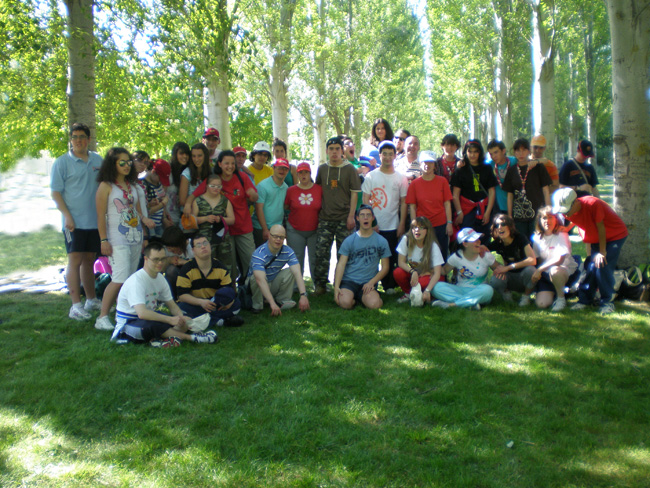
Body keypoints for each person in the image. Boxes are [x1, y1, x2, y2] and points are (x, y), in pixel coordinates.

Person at [111, 241, 217, 347]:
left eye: (162, 259)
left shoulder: (160, 278)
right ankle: (193, 338)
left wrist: (181, 318)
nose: (160, 263)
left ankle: (161, 339)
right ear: (146, 259)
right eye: (156, 259)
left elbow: (172, 305)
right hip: (128, 324)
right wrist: (170, 319)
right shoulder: (136, 281)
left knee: (181, 323)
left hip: (147, 319)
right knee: (155, 325)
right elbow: (142, 313)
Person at [95, 148, 154, 331]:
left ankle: (124, 312)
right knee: (119, 278)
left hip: (135, 237)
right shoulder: (106, 186)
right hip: (116, 238)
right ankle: (102, 317)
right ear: (113, 164)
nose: (127, 165)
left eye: (129, 162)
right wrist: (104, 240)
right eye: (122, 162)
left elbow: (137, 211)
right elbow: (100, 215)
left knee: (128, 278)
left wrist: (144, 230)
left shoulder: (133, 186)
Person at [50, 123, 104, 321]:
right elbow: (55, 193)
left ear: (88, 139)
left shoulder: (98, 160)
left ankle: (91, 299)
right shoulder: (62, 163)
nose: (78, 140)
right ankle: (75, 305)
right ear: (70, 140)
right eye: (74, 137)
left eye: (82, 136)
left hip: (94, 221)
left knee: (90, 259)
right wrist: (68, 216)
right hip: (73, 223)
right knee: (75, 260)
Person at [186, 151, 258, 283]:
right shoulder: (215, 180)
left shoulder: (242, 177)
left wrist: (253, 195)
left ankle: (254, 295)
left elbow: (254, 195)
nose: (230, 166)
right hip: (224, 231)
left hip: (243, 227)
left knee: (251, 262)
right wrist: (188, 204)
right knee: (229, 266)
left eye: (232, 163)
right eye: (226, 163)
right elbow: (195, 195)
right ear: (220, 164)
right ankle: (232, 294)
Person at [552, 188, 628, 314]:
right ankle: (584, 300)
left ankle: (607, 302)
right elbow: (575, 218)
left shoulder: (593, 204)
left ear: (576, 202)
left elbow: (601, 229)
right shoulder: (567, 210)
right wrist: (567, 228)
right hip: (596, 239)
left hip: (614, 236)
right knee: (591, 267)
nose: (566, 214)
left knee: (603, 265)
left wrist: (602, 252)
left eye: (567, 210)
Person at [313, 136, 361, 295]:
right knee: (321, 252)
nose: (334, 152)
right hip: (325, 219)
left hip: (344, 218)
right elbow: (318, 190)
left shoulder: (350, 170)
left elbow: (355, 194)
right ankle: (320, 284)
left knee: (344, 254)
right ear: (327, 151)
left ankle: (342, 283)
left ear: (342, 151)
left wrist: (351, 216)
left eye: (337, 149)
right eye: (331, 149)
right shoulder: (322, 169)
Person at [362, 140, 408, 291]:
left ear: (395, 156)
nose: (387, 157)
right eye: (384, 154)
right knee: (371, 257)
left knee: (390, 256)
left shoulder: (400, 178)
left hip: (392, 225)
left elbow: (403, 203)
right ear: (379, 155)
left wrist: (401, 224)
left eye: (390, 154)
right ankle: (371, 285)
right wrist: (371, 222)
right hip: (373, 225)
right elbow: (365, 201)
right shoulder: (371, 176)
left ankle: (389, 285)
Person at [176, 236, 244, 327]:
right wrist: (201, 302)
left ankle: (205, 320)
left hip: (215, 305)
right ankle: (220, 321)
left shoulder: (221, 268)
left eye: (205, 243)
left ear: (210, 246)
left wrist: (228, 301)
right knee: (182, 308)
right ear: (193, 250)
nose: (203, 247)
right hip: (196, 304)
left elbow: (227, 290)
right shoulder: (186, 269)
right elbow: (182, 296)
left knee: (236, 304)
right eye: (199, 245)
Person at [333, 205, 391, 310]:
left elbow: (385, 267)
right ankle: (354, 299)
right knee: (345, 303)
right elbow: (341, 264)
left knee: (375, 305)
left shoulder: (381, 241)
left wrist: (372, 282)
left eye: (368, 215)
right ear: (357, 218)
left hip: (368, 282)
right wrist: (336, 287)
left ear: (373, 218)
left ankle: (369, 297)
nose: (365, 218)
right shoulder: (349, 240)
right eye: (362, 215)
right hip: (349, 281)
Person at [247, 225, 310, 315]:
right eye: (275, 236)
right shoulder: (259, 254)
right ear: (269, 235)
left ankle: (282, 300)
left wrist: (303, 295)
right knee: (255, 277)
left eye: (281, 237)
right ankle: (257, 305)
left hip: (271, 281)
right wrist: (272, 304)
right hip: (256, 285)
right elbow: (260, 280)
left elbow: (297, 273)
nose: (278, 240)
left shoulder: (288, 251)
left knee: (291, 271)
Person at [432, 228, 499, 310]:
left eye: (478, 239)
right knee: (436, 287)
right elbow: (444, 271)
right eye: (474, 240)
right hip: (461, 289)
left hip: (480, 291)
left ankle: (451, 305)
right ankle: (470, 303)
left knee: (488, 290)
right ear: (465, 244)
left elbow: (499, 268)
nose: (479, 241)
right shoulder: (456, 257)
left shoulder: (485, 255)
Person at [406, 150, 453, 258]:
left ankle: (441, 275)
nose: (427, 165)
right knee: (423, 255)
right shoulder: (414, 184)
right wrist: (414, 225)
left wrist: (449, 223)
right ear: (420, 164)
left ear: (435, 165)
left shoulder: (442, 181)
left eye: (430, 162)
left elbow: (447, 204)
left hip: (440, 225)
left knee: (441, 255)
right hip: (422, 226)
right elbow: (412, 207)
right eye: (424, 162)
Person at [529, 206, 578, 311]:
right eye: (544, 218)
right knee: (541, 304)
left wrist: (540, 269)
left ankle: (561, 299)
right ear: (539, 221)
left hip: (563, 271)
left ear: (556, 220)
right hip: (546, 275)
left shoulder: (562, 234)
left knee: (555, 271)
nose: (547, 221)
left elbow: (559, 260)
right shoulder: (537, 238)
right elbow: (539, 260)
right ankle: (560, 292)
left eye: (551, 217)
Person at [502, 138, 552, 238]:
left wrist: (548, 209)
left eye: (524, 150)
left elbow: (546, 191)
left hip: (538, 214)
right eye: (518, 151)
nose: (521, 153)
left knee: (538, 241)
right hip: (519, 216)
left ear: (529, 151)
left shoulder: (538, 167)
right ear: (514, 152)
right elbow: (510, 195)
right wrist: (510, 215)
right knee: (522, 243)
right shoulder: (512, 170)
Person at [451, 139, 497, 241]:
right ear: (465, 153)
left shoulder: (487, 168)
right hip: (467, 210)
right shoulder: (461, 169)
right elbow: (455, 194)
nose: (472, 155)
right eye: (470, 151)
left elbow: (492, 191)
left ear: (480, 152)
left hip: (484, 208)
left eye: (475, 151)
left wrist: (488, 212)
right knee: (467, 240)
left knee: (484, 238)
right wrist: (459, 212)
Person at [487, 214, 537, 306]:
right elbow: (482, 249)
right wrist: (498, 268)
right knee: (495, 280)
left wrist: (508, 267)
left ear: (510, 226)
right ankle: (506, 293)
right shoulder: (498, 243)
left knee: (531, 270)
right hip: (510, 276)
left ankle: (526, 297)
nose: (500, 227)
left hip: (524, 276)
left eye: (503, 224)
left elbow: (532, 260)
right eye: (497, 225)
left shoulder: (520, 238)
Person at [394, 216, 444, 305]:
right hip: (416, 273)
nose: (417, 230)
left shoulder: (433, 246)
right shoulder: (406, 240)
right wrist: (413, 272)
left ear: (427, 231)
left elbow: (437, 272)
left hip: (430, 275)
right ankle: (408, 294)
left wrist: (428, 290)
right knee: (398, 272)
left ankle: (427, 293)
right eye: (415, 227)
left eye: (421, 228)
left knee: (421, 282)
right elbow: (400, 262)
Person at [284, 161, 322, 278]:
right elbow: (286, 207)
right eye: (300, 173)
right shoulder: (291, 190)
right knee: (296, 258)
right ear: (297, 174)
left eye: (306, 172)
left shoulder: (319, 189)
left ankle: (317, 285)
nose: (303, 175)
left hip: (314, 230)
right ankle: (296, 286)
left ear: (310, 174)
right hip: (295, 230)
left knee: (315, 258)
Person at [192, 173, 235, 267]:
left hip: (223, 240)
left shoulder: (224, 200)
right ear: (207, 186)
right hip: (205, 242)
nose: (216, 188)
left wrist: (221, 219)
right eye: (213, 186)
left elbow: (232, 220)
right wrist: (205, 218)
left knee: (225, 266)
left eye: (219, 186)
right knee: (208, 266)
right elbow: (192, 221)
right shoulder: (198, 201)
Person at [252, 158, 290, 247]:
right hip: (261, 228)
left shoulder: (286, 187)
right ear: (273, 168)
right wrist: (265, 229)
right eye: (279, 168)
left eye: (285, 168)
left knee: (275, 258)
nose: (282, 171)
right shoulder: (263, 186)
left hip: (277, 229)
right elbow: (258, 208)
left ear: (288, 171)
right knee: (262, 258)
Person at [161, 225, 193, 298]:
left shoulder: (192, 246)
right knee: (171, 270)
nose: (169, 250)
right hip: (175, 279)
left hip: (191, 278)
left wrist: (184, 262)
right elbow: (160, 267)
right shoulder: (166, 250)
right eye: (167, 248)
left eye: (170, 248)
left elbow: (202, 265)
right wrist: (169, 260)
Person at [179, 143, 210, 216]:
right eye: (194, 156)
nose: (196, 159)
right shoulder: (187, 173)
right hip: (190, 216)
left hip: (207, 215)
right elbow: (182, 201)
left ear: (205, 156)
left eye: (199, 156)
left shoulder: (210, 172)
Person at [486, 139, 516, 214]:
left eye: (496, 152)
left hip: (515, 206)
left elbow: (532, 161)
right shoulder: (489, 165)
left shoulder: (514, 161)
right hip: (498, 207)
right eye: (491, 154)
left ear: (503, 151)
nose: (493, 156)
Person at [143, 158, 170, 238]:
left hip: (159, 224)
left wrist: (164, 218)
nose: (161, 181)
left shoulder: (158, 184)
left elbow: (162, 198)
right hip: (149, 226)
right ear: (153, 172)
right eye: (160, 179)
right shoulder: (144, 186)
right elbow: (146, 211)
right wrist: (162, 204)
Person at [167, 142, 191, 226]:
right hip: (167, 217)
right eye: (181, 153)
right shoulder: (167, 170)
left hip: (181, 216)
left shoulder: (188, 172)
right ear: (175, 154)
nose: (185, 156)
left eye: (187, 154)